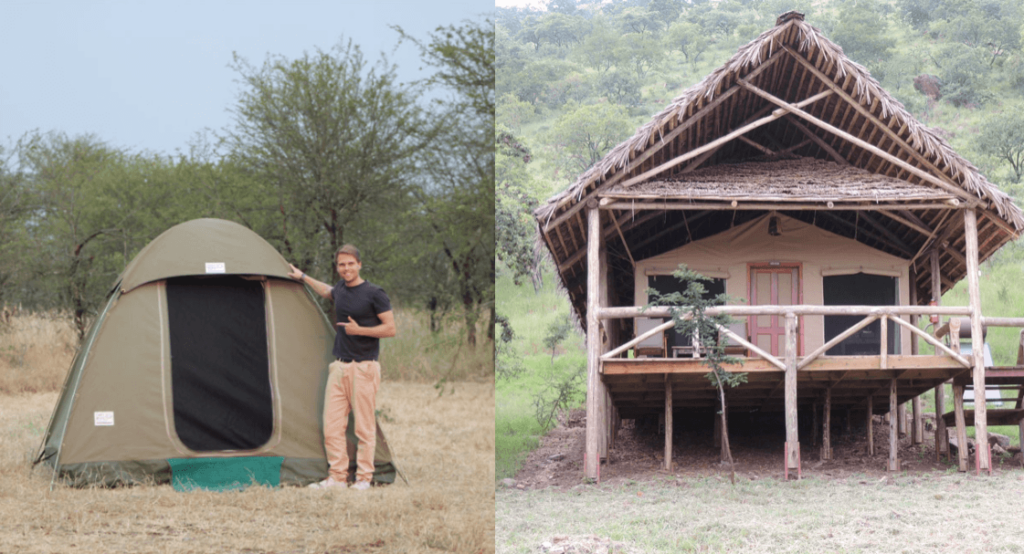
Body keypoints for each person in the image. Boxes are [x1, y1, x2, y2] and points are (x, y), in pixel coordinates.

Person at [288, 244, 396, 490]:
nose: (346, 268)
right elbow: (327, 291)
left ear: (359, 264)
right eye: (341, 265)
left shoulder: (375, 293)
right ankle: (337, 477)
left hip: (364, 368)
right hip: (339, 368)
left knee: (363, 428)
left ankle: (364, 479)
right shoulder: (341, 290)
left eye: (350, 263)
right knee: (332, 427)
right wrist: (303, 277)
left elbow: (390, 328)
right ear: (337, 267)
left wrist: (361, 331)